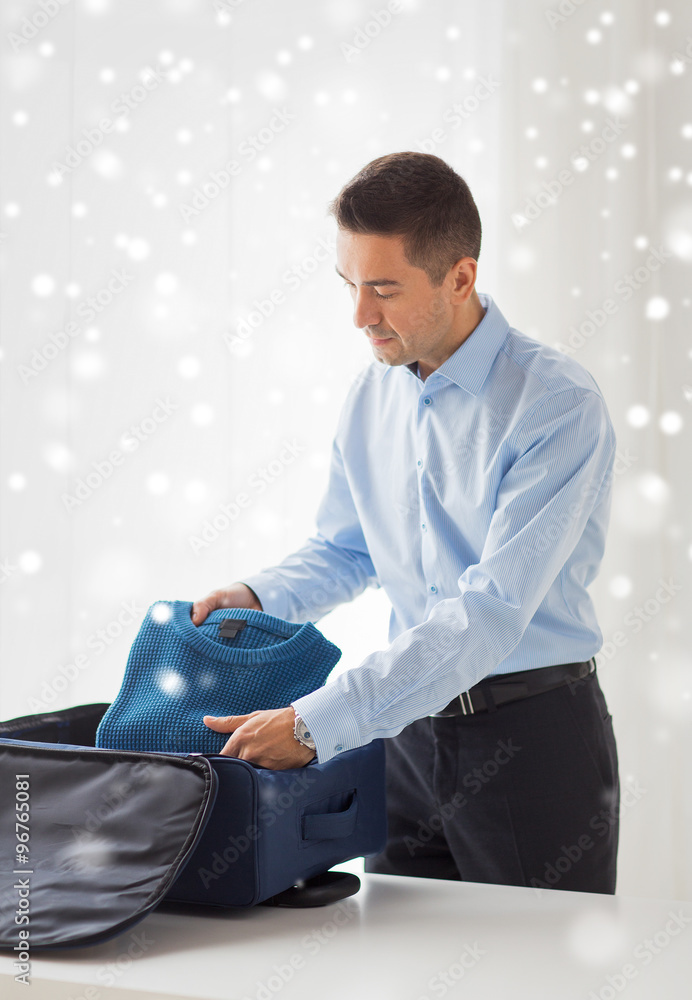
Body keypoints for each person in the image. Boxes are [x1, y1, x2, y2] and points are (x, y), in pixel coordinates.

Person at [195, 151, 620, 894]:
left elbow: (488, 614)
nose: (361, 316)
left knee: (539, 980)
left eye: (384, 290)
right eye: (351, 286)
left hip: (531, 740)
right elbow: (345, 548)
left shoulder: (557, 406)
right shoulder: (373, 394)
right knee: (405, 966)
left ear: (460, 277)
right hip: (405, 735)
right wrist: (256, 597)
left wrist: (315, 723)